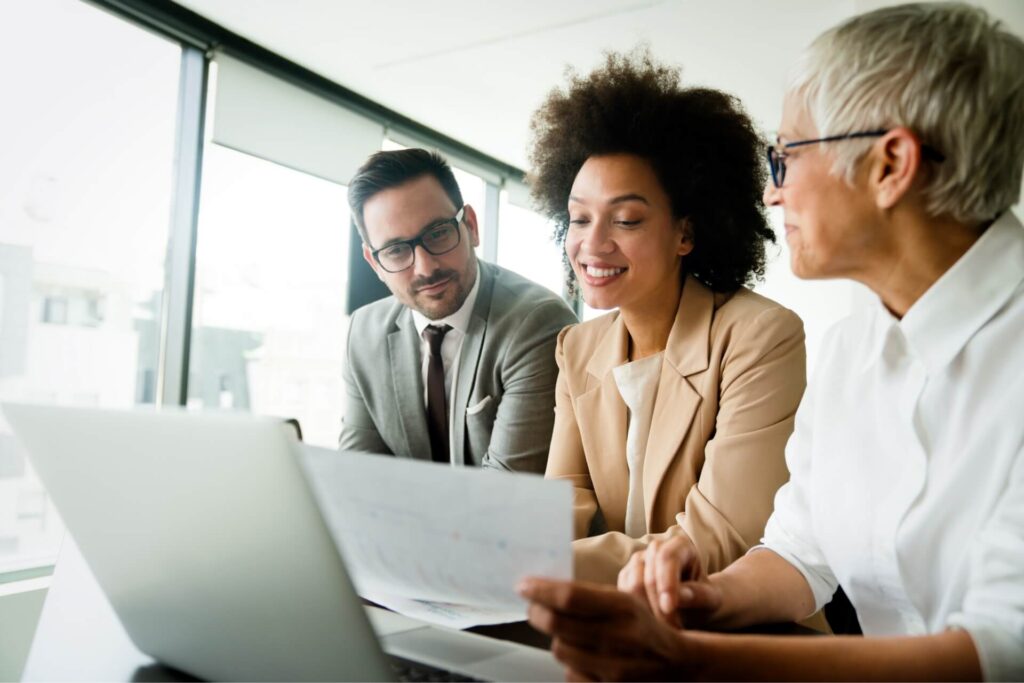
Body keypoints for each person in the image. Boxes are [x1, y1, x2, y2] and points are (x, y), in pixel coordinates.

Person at [519, 3, 1024, 680]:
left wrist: (688, 656)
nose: (771, 191)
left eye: (785, 156)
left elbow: (1000, 649)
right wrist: (699, 594)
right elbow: (798, 551)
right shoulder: (852, 349)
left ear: (890, 163)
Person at [529, 50, 807, 585]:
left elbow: (721, 539)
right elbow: (560, 508)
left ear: (686, 233)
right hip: (611, 617)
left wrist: (531, 564)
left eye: (626, 219)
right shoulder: (577, 348)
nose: (592, 243)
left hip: (734, 634)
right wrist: (515, 552)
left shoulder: (759, 335)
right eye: (579, 218)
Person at [340, 148, 576, 472]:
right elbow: (359, 477)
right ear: (374, 263)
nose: (425, 267)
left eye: (438, 234)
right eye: (396, 250)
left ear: (471, 226)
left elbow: (507, 494)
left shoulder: (537, 323)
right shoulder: (364, 332)